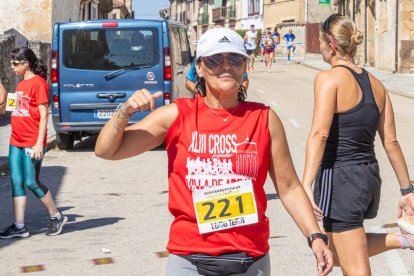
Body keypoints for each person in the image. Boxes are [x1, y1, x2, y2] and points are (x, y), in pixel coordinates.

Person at [96, 27, 333, 276]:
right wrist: (125, 112)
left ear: (245, 66)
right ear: (199, 67)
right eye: (215, 59)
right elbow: (107, 150)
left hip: (249, 258)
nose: (226, 65)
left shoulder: (263, 119)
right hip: (189, 259)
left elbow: (290, 188)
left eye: (235, 58)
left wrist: (315, 236)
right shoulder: (177, 115)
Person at [302, 14, 414, 276]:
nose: (318, 46)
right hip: (367, 177)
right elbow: (391, 141)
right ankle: (405, 240)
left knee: (354, 267)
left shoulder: (328, 79)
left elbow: (319, 134)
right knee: (335, 250)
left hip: (340, 178)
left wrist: (305, 184)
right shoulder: (377, 84)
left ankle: (406, 240)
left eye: (319, 40)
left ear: (331, 45)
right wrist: (407, 189)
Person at [0, 48, 68, 239]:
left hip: (32, 141)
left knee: (31, 181)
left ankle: (57, 215)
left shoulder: (38, 84)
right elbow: (10, 110)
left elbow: (44, 114)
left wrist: (39, 144)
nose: (12, 67)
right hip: (16, 140)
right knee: (16, 181)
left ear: (25, 63)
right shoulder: (21, 84)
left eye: (15, 63)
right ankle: (19, 226)